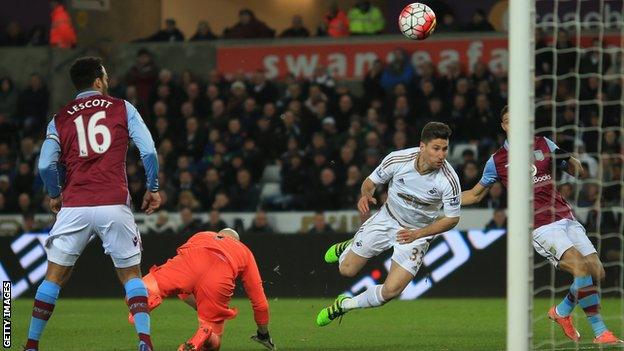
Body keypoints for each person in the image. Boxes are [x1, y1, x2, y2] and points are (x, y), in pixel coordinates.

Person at [26, 57, 161, 351]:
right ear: (99, 81)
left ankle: (31, 344)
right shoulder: (122, 108)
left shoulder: (59, 118)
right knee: (131, 276)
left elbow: (45, 164)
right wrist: (152, 188)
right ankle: (145, 341)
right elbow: (148, 151)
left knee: (54, 277)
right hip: (113, 201)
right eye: (106, 76)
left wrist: (54, 193)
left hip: (74, 204)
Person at [461, 106, 622, 345]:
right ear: (503, 126)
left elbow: (576, 171)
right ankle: (601, 332)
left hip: (566, 216)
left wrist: (571, 162)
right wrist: (442, 201)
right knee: (581, 269)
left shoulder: (544, 143)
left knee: (597, 271)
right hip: (540, 225)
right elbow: (475, 195)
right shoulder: (497, 161)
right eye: (508, 121)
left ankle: (562, 312)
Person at [316, 122, 461, 326]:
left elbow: (452, 219)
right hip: (387, 218)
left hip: (417, 234)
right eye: (436, 148)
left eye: (445, 149)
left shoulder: (448, 179)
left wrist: (418, 234)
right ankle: (348, 246)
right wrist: (366, 196)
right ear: (422, 147)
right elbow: (370, 183)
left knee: (391, 291)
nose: (441, 155)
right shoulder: (397, 159)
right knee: (346, 270)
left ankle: (343, 305)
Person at [129, 229, 275, 351]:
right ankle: (207, 331)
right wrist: (263, 334)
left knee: (138, 290)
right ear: (237, 241)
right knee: (214, 342)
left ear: (218, 233)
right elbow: (260, 303)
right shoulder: (245, 252)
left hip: (187, 264)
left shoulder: (202, 234)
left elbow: (187, 265)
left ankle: (142, 306)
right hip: (219, 277)